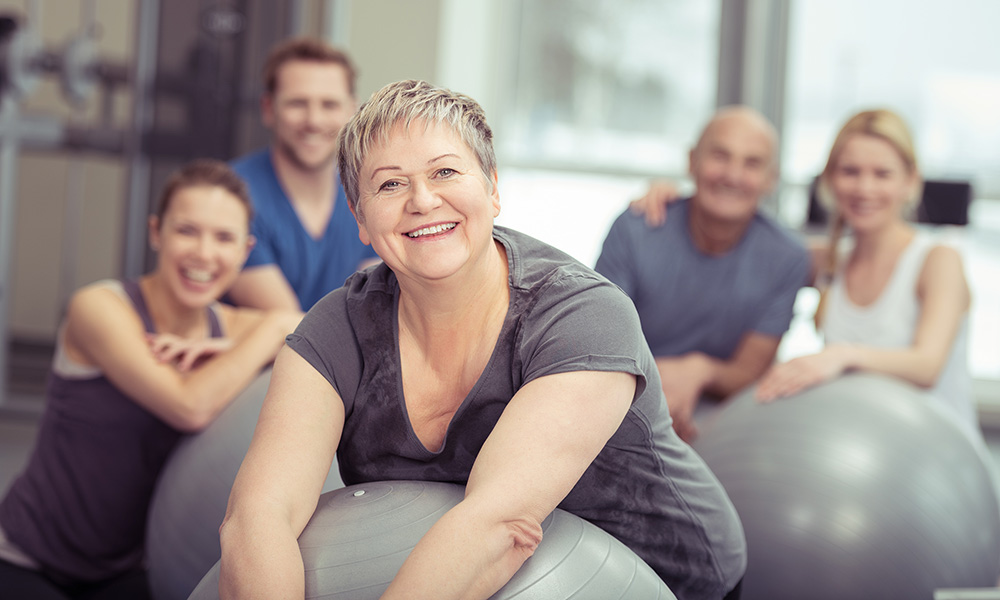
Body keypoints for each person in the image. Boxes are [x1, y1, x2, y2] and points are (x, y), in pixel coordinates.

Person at [218, 80, 746, 600]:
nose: (422, 200)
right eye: (389, 184)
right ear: (359, 218)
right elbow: (259, 515)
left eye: (445, 171)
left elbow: (499, 525)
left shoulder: (581, 315)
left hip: (669, 577)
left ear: (493, 189)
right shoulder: (336, 331)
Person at [0, 160, 302, 599]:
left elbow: (326, 326)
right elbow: (188, 405)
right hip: (26, 559)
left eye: (223, 238)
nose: (203, 252)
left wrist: (254, 339)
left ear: (245, 250)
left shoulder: (237, 328)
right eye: (187, 231)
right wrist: (272, 331)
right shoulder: (100, 308)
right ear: (156, 232)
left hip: (127, 568)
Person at [754, 109, 978, 437]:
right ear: (829, 179)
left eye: (882, 174)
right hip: (863, 456)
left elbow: (927, 366)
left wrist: (841, 355)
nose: (864, 187)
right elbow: (743, 246)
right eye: (850, 171)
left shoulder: (939, 259)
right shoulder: (826, 260)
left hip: (939, 462)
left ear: (910, 181)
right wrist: (675, 202)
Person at [595, 106, 811, 442]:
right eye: (720, 156)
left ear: (771, 179)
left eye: (752, 163)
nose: (733, 175)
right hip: (621, 398)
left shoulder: (787, 257)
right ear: (692, 160)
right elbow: (600, 340)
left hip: (721, 418)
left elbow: (751, 370)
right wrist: (655, 395)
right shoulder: (636, 228)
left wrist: (699, 370)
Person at [226, 37, 379, 311]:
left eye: (329, 105)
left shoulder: (370, 192)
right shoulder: (230, 196)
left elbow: (373, 309)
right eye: (297, 103)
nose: (314, 121)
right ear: (268, 108)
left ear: (352, 110)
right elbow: (293, 332)